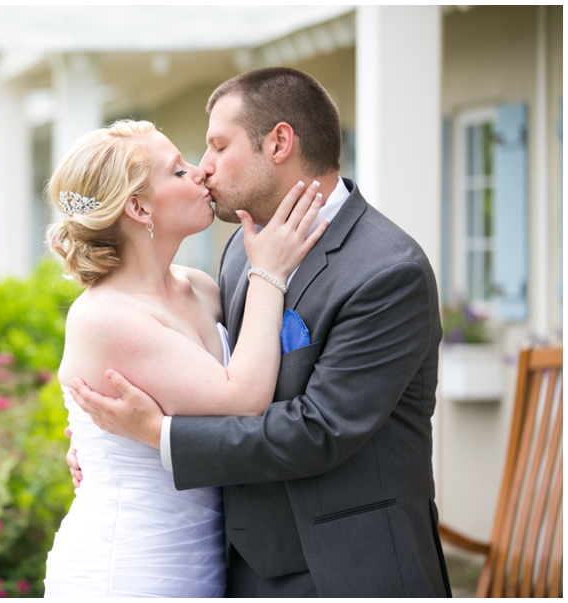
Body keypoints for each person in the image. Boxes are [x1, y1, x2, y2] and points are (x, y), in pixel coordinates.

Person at [71, 67, 452, 597]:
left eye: (217, 146)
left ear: (278, 142)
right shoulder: (238, 255)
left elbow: (318, 431)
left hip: (348, 569)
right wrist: (105, 446)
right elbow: (204, 378)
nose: (203, 170)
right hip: (233, 565)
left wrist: (155, 436)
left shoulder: (387, 270)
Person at [42, 119, 328, 597]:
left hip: (209, 556)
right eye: (178, 171)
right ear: (137, 207)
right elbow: (242, 398)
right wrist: (270, 272)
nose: (200, 173)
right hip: (132, 564)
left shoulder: (200, 287)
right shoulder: (104, 316)